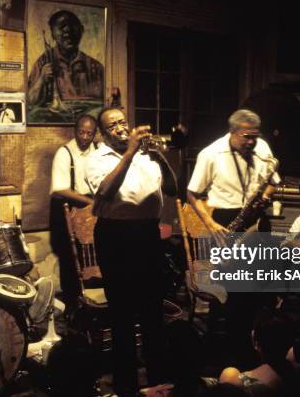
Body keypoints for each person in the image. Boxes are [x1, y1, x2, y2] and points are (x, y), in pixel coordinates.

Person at [84, 107, 177, 395]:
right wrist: (129, 152)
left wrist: (162, 156)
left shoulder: (146, 155)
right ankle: (126, 387)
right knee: (123, 314)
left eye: (123, 122)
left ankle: (159, 380)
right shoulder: (95, 158)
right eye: (113, 125)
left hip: (147, 234)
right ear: (102, 133)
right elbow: (106, 191)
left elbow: (173, 188)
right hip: (116, 237)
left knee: (152, 312)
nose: (121, 128)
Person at [187, 108, 281, 367]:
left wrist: (267, 193)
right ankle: (226, 356)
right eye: (246, 137)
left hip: (257, 219)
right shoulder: (211, 154)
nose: (251, 142)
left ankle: (253, 351)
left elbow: (274, 179)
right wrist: (210, 223)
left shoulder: (261, 146)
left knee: (257, 291)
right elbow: (192, 194)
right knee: (230, 295)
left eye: (254, 136)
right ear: (232, 131)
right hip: (227, 222)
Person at [49, 114, 98, 309]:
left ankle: (96, 299)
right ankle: (73, 305)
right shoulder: (64, 153)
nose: (85, 137)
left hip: (95, 208)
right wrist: (90, 204)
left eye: (90, 133)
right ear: (74, 131)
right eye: (81, 132)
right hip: (70, 207)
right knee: (72, 259)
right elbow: (60, 189)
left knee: (96, 256)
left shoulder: (99, 151)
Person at [27, 10, 104, 106]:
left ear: (81, 30)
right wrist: (42, 79)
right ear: (52, 35)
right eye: (61, 27)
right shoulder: (44, 62)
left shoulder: (95, 67)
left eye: (72, 26)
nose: (67, 31)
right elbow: (29, 102)